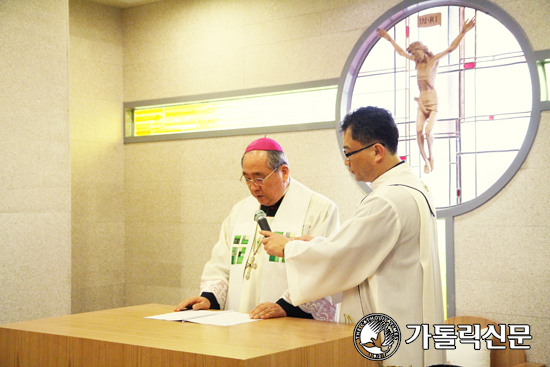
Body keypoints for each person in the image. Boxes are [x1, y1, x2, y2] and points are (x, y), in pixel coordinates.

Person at [261, 107, 445, 366]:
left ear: (377, 151)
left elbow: (344, 257)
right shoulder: (415, 188)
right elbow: (360, 249)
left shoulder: (386, 200)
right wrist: (317, 244)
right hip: (409, 318)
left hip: (390, 324)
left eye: (349, 153)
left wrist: (287, 248)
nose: (346, 162)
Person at [175, 137, 340, 321]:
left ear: (284, 172)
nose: (253, 187)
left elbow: (324, 268)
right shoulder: (240, 211)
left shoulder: (319, 209)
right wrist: (208, 299)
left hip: (290, 326)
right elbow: (221, 264)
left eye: (259, 178)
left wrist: (284, 307)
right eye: (247, 179)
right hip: (239, 322)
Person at [378, 17, 476, 173]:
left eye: (417, 54)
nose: (415, 58)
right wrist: (389, 38)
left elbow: (451, 48)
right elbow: (402, 52)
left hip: (432, 99)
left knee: (428, 131)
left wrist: (462, 32)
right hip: (421, 100)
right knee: (418, 130)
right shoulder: (417, 62)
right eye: (414, 56)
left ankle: (432, 157)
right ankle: (426, 161)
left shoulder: (434, 60)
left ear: (422, 50)